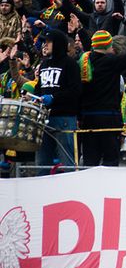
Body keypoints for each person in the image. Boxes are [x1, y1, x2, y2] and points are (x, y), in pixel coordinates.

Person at [78, 29, 126, 166]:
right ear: (108, 45)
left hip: (87, 119)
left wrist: (81, 31)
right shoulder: (111, 61)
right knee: (111, 160)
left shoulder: (84, 61)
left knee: (90, 161)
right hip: (108, 118)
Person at [33, 29, 81, 171]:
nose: (44, 45)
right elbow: (39, 87)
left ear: (58, 44)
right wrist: (34, 97)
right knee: (42, 162)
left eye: (48, 42)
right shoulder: (44, 64)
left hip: (64, 118)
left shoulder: (70, 64)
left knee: (67, 161)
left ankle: (70, 192)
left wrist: (54, 98)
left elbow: (75, 90)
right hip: (44, 118)